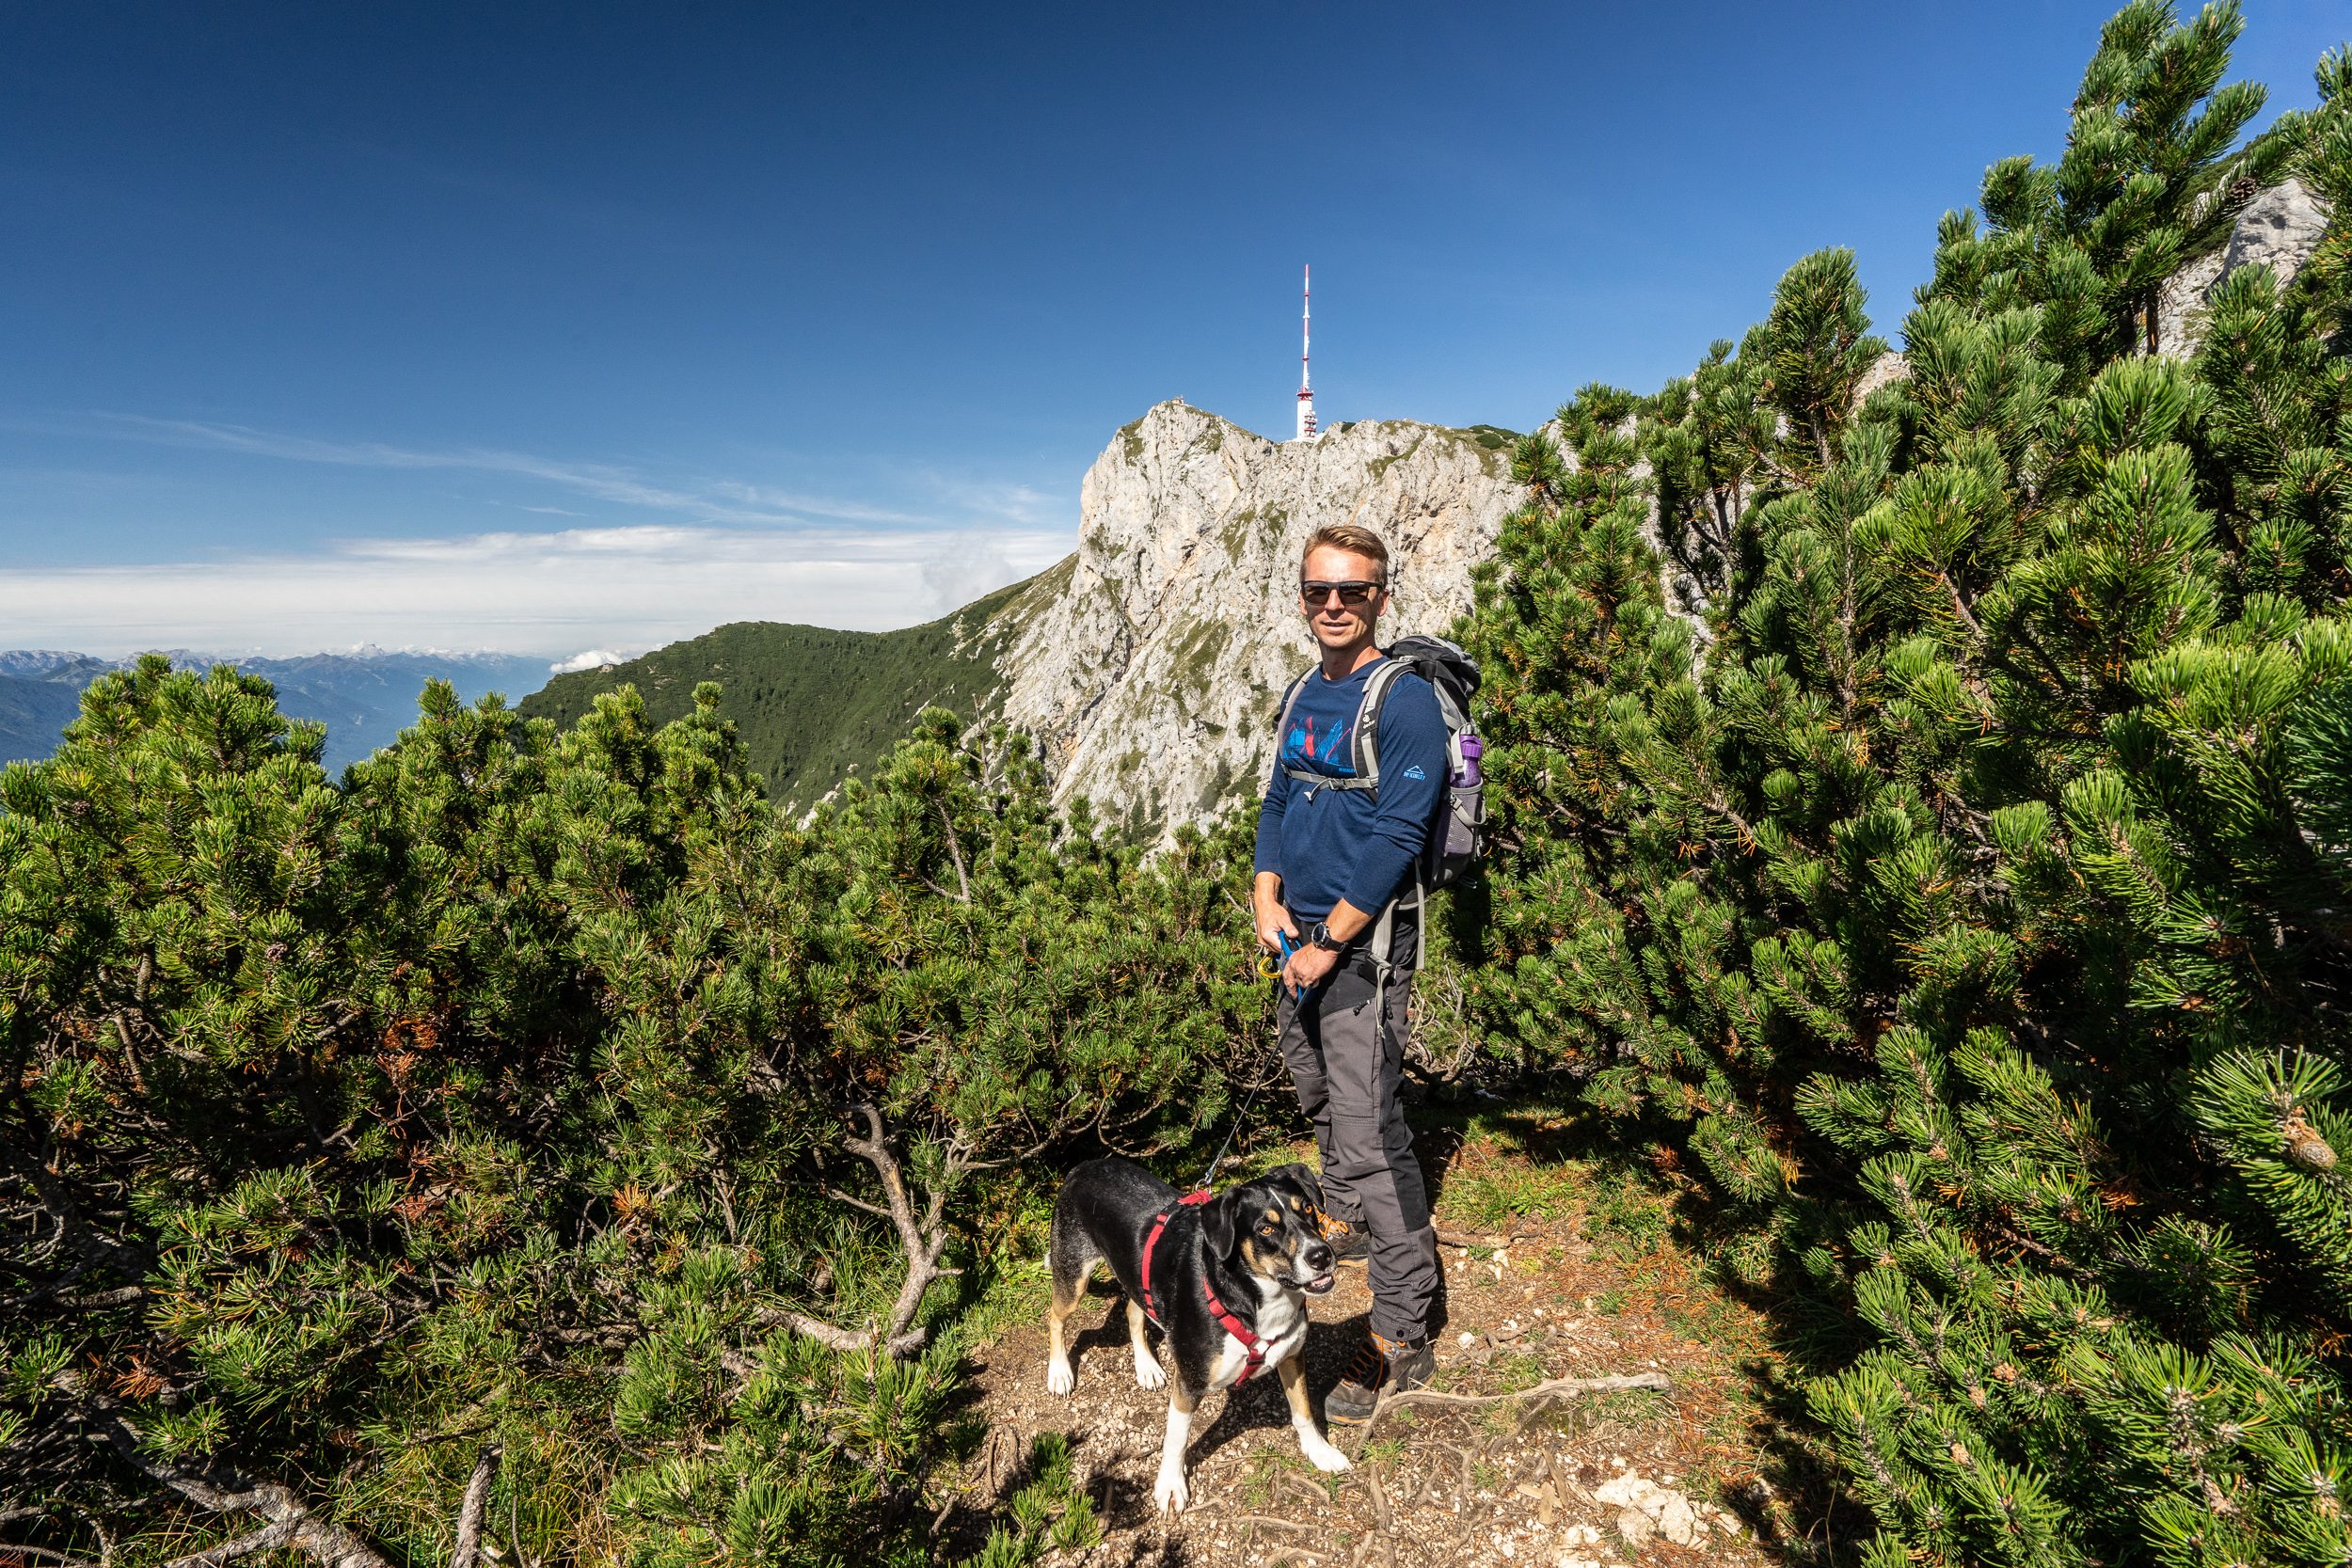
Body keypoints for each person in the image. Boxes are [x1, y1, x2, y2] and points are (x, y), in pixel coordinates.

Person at [1252, 521, 1443, 1421]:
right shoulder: (1304, 693)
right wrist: (1266, 896)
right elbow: (1279, 800)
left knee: (1370, 1138)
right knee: (1320, 1098)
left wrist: (1330, 937)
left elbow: (1402, 835)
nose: (1334, 605)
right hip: (1297, 943)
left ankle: (1405, 1330)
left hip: (1360, 951)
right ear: (1302, 596)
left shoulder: (1399, 701)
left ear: (1380, 597)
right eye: (1320, 590)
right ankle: (1351, 1227)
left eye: (1353, 591)